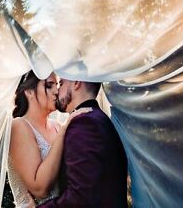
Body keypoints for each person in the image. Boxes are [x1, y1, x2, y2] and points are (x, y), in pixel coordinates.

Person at [38, 79, 128, 208]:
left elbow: (80, 199)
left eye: (61, 83)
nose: (57, 90)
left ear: (76, 82)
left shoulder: (84, 124)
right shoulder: (97, 118)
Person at [7, 71, 92, 207]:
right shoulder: (19, 126)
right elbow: (40, 188)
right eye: (48, 85)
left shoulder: (58, 127)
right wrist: (64, 131)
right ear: (28, 91)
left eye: (57, 85)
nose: (56, 91)